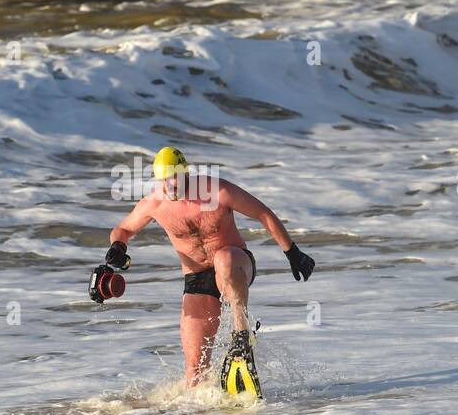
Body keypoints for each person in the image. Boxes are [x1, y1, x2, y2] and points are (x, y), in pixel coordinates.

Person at [101, 146, 315, 388]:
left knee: (223, 258)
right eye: (163, 180)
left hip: (236, 264)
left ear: (186, 174)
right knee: (195, 370)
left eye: (174, 178)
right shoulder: (155, 203)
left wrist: (292, 252)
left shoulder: (217, 190)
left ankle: (241, 335)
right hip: (197, 278)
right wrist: (118, 247)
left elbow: (262, 213)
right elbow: (124, 229)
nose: (169, 185)